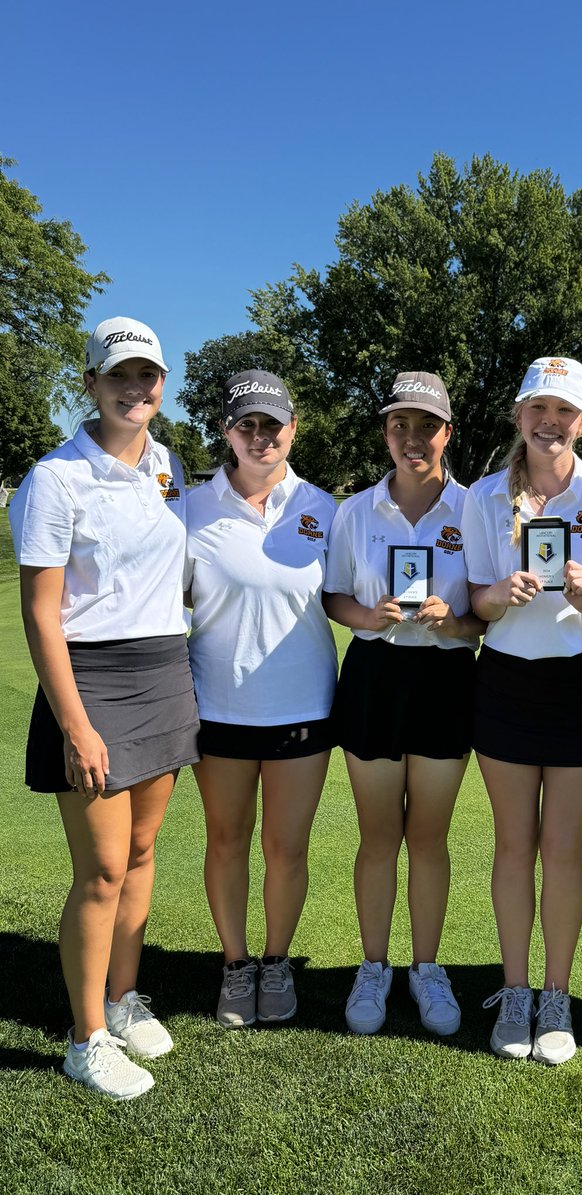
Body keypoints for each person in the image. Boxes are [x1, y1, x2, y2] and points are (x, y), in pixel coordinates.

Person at [9, 317, 200, 1100]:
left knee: (146, 853)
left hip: (164, 670)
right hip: (93, 682)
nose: (136, 388)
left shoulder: (169, 465)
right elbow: (40, 613)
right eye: (119, 375)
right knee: (101, 871)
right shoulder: (54, 478)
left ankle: (123, 1000)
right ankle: (86, 1039)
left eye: (148, 375)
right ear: (89, 382)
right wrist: (75, 722)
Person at [461, 356, 582, 1065]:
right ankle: (514, 990)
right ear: (520, 416)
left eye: (564, 411)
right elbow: (477, 601)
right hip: (503, 682)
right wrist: (502, 594)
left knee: (563, 850)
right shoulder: (483, 496)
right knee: (513, 846)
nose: (550, 421)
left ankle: (556, 995)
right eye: (538, 408)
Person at [323, 371, 483, 1038]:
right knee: (379, 835)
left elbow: (488, 617)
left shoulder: (478, 511)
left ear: (447, 432)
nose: (412, 438)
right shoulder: (354, 511)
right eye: (400, 425)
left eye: (427, 426)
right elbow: (333, 597)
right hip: (374, 676)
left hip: (446, 678)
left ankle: (425, 968)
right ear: (386, 432)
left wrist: (454, 620)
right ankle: (373, 966)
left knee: (429, 837)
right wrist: (370, 611)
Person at [184, 370, 337, 1029]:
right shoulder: (191, 507)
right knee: (226, 839)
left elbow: (345, 599)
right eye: (246, 425)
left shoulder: (325, 509)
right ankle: (236, 964)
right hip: (217, 707)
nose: (260, 436)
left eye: (271, 425)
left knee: (287, 846)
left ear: (292, 429)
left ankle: (276, 963)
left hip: (303, 706)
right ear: (227, 433)